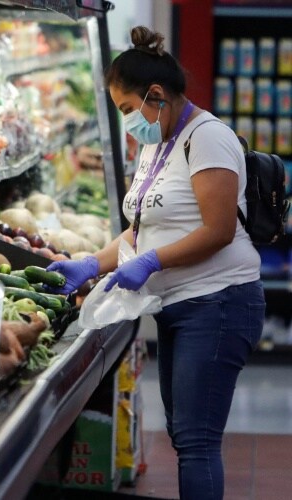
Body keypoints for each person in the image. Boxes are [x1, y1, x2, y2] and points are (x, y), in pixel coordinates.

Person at [46, 26, 265, 500]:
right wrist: (91, 263)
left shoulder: (208, 138)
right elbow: (140, 227)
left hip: (219, 303)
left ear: (156, 95)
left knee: (197, 441)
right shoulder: (156, 143)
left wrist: (149, 262)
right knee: (184, 434)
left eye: (127, 109)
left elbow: (218, 229)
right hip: (178, 303)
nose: (128, 121)